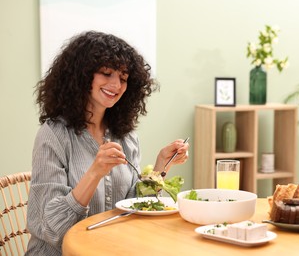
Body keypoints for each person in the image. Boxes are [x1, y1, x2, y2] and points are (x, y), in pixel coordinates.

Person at [26, 31, 189, 255]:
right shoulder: (54, 135)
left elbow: (131, 210)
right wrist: (95, 172)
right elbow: (51, 229)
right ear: (82, 75)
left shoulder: (126, 136)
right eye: (106, 73)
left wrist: (161, 166)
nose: (116, 84)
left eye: (123, 78)